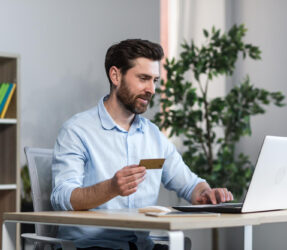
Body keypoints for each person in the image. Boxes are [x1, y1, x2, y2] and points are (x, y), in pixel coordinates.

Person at [51, 39, 234, 250]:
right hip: (92, 246)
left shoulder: (154, 135)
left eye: (155, 80)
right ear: (115, 76)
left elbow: (191, 185)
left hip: (141, 246)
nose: (152, 89)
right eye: (143, 78)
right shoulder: (77, 130)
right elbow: (62, 197)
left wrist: (206, 193)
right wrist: (111, 188)